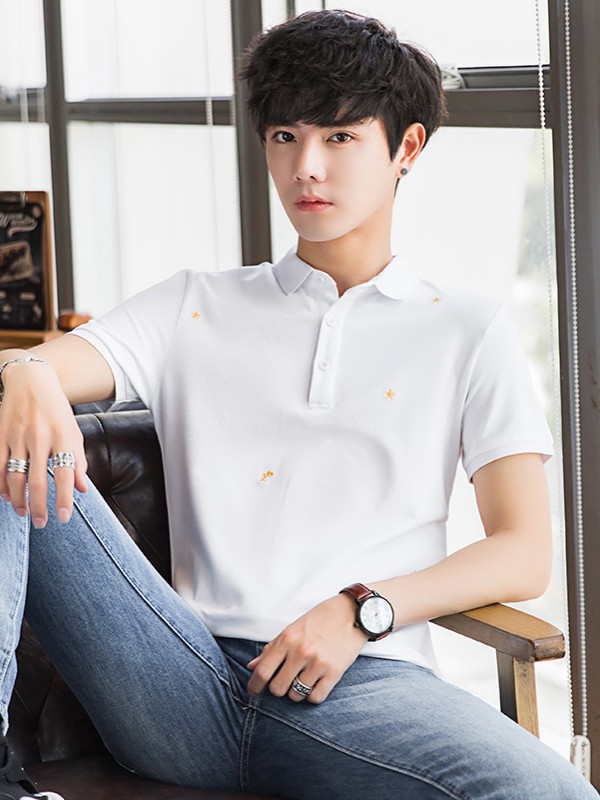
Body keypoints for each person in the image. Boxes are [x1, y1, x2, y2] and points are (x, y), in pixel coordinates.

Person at [0, 9, 597, 800]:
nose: (306, 168)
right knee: (11, 427)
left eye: (340, 137)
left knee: (553, 794)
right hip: (172, 678)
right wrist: (24, 370)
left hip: (362, 686)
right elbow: (40, 372)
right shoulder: (194, 304)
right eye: (285, 137)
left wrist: (363, 609)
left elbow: (523, 552)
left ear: (407, 149)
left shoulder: (467, 329)